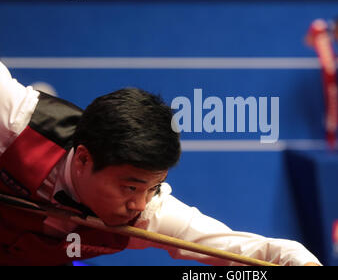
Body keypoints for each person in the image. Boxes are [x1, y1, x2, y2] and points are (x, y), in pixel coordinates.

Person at [0, 61, 321, 266]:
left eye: (152, 188)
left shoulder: (148, 213)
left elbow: (244, 251)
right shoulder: (15, 119)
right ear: (83, 158)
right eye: (130, 187)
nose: (138, 204)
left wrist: (299, 263)